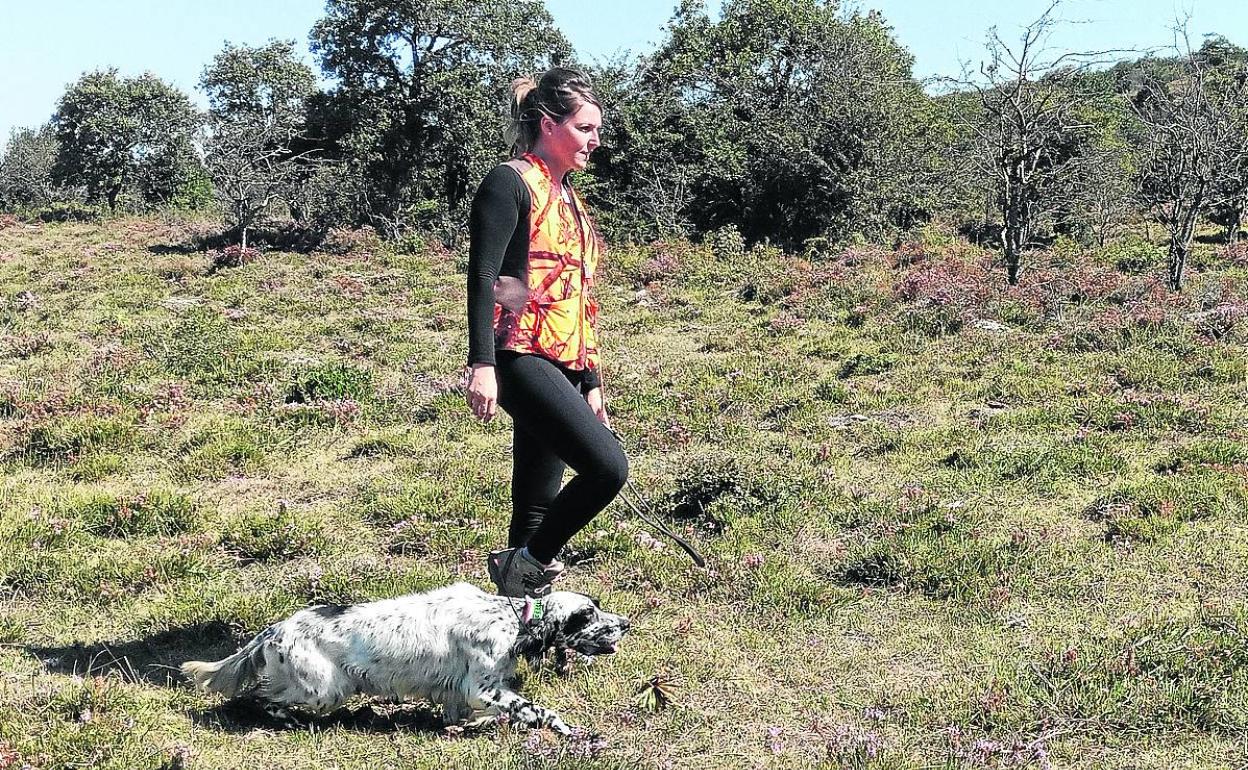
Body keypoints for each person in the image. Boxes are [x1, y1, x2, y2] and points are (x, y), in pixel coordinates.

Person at [464, 67, 628, 599]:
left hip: (566, 357)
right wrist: (483, 364)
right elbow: (483, 277)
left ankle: (518, 619)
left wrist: (592, 379)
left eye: (596, 129)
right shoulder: (509, 182)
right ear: (548, 124)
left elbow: (580, 294)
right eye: (584, 128)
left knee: (537, 503)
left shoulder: (568, 196)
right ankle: (527, 565)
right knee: (607, 468)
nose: (594, 140)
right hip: (518, 353)